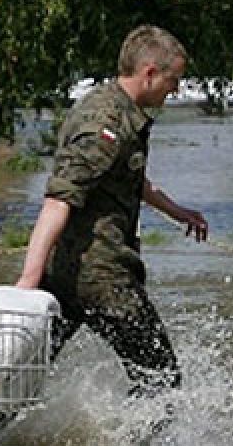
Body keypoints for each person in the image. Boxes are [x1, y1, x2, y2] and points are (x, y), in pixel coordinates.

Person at [15, 24, 208, 404]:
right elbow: (58, 200)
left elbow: (126, 177)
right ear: (150, 72)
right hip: (100, 279)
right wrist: (27, 284)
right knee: (162, 380)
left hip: (70, 274)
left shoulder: (113, 107)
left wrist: (177, 212)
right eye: (174, 79)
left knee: (24, 379)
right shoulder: (105, 125)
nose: (176, 90)